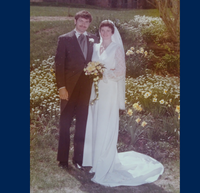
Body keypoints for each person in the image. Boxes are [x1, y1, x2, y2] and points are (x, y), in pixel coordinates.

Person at [82, 20, 164, 187]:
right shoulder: (96, 47)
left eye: (107, 31)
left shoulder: (116, 48)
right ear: (99, 32)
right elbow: (91, 66)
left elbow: (120, 72)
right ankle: (95, 161)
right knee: (96, 124)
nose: (104, 33)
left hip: (109, 91)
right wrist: (92, 71)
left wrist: (102, 72)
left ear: (112, 33)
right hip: (95, 91)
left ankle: (105, 163)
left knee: (105, 124)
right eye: (102, 30)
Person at [54, 10, 99, 169]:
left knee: (82, 124)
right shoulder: (64, 39)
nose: (83, 24)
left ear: (89, 24)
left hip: (86, 89)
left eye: (86, 22)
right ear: (75, 21)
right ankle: (63, 159)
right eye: (81, 21)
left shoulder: (94, 39)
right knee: (65, 123)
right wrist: (61, 87)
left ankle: (79, 159)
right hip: (68, 88)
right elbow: (59, 65)